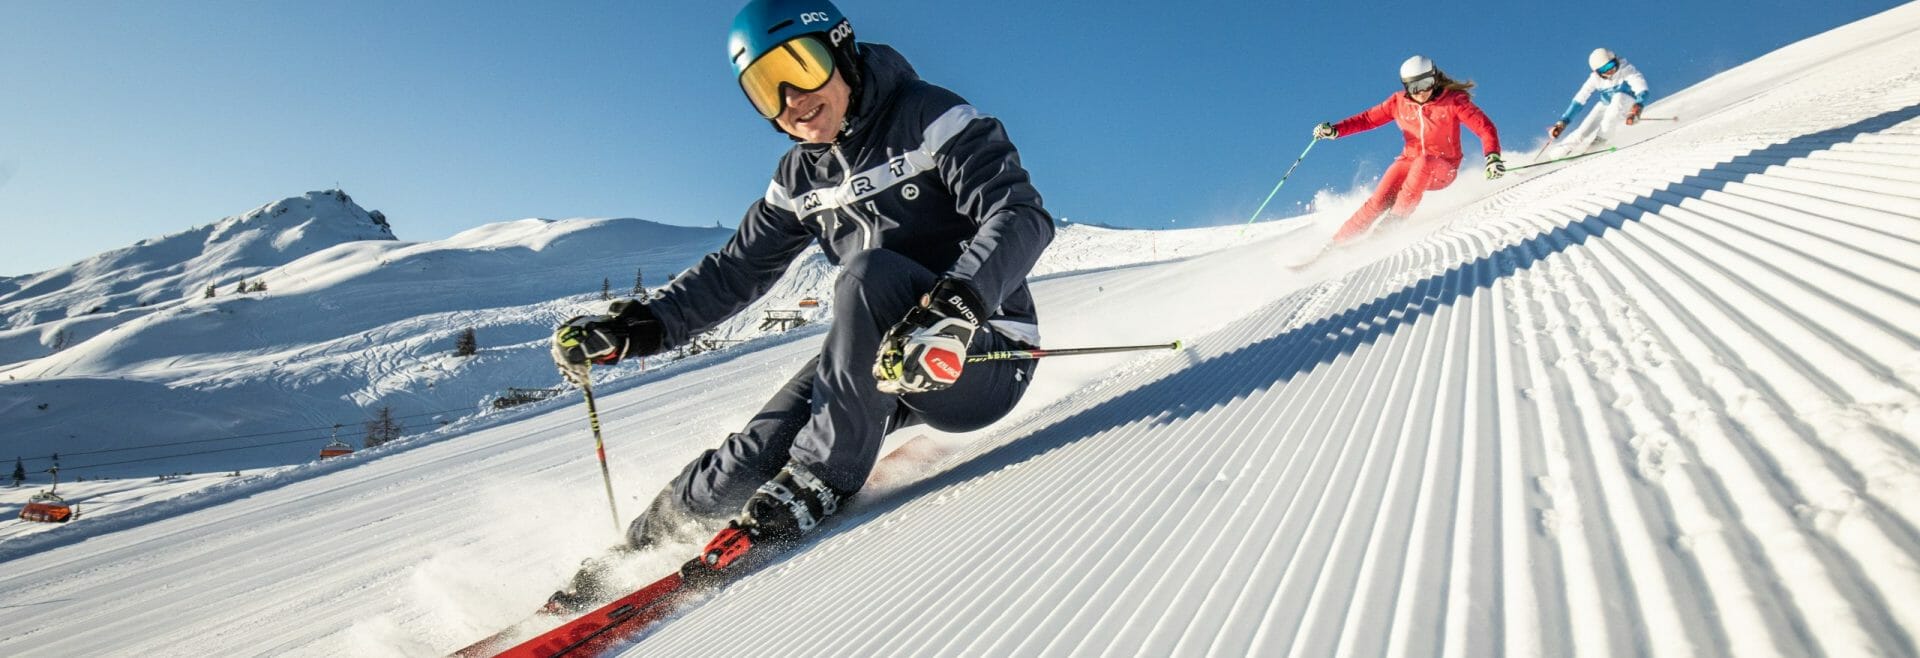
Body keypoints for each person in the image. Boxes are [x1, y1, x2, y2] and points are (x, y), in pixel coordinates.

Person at [545, 0, 1054, 610]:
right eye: (766, 88)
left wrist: (956, 308)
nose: (791, 99)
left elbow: (1018, 212)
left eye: (800, 67)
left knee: (867, 274)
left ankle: (821, 478)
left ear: (842, 51)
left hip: (979, 352)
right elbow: (736, 270)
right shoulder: (797, 177)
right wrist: (639, 327)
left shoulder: (930, 116)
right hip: (878, 357)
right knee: (741, 467)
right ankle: (636, 551)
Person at [1312, 56, 1504, 245]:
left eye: (1426, 84)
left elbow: (1485, 127)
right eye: (1414, 87)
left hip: (1443, 168)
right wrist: (1335, 130)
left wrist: (1492, 157)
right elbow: (1368, 119)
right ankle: (1335, 245)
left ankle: (1392, 223)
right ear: (1406, 86)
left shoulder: (1453, 101)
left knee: (1424, 162)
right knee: (1378, 201)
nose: (1421, 92)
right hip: (1409, 162)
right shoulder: (1398, 103)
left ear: (1434, 79)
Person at [1546, 47, 1650, 157]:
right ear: (1597, 72)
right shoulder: (1595, 79)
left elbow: (1642, 89)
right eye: (1604, 69)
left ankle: (1599, 142)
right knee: (1582, 131)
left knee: (1616, 103)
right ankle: (1556, 155)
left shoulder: (1627, 70)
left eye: (1611, 65)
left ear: (1615, 60)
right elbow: (1580, 99)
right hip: (1607, 105)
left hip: (1628, 104)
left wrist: (1638, 106)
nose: (1610, 70)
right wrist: (1563, 122)